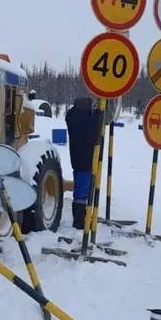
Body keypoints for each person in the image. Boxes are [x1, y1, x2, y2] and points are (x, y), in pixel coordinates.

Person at [64, 96, 102, 229]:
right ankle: (80, 221)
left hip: (78, 159)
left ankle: (81, 218)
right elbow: (93, 130)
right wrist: (98, 115)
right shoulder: (84, 120)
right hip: (86, 161)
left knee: (80, 191)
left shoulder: (73, 117)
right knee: (82, 192)